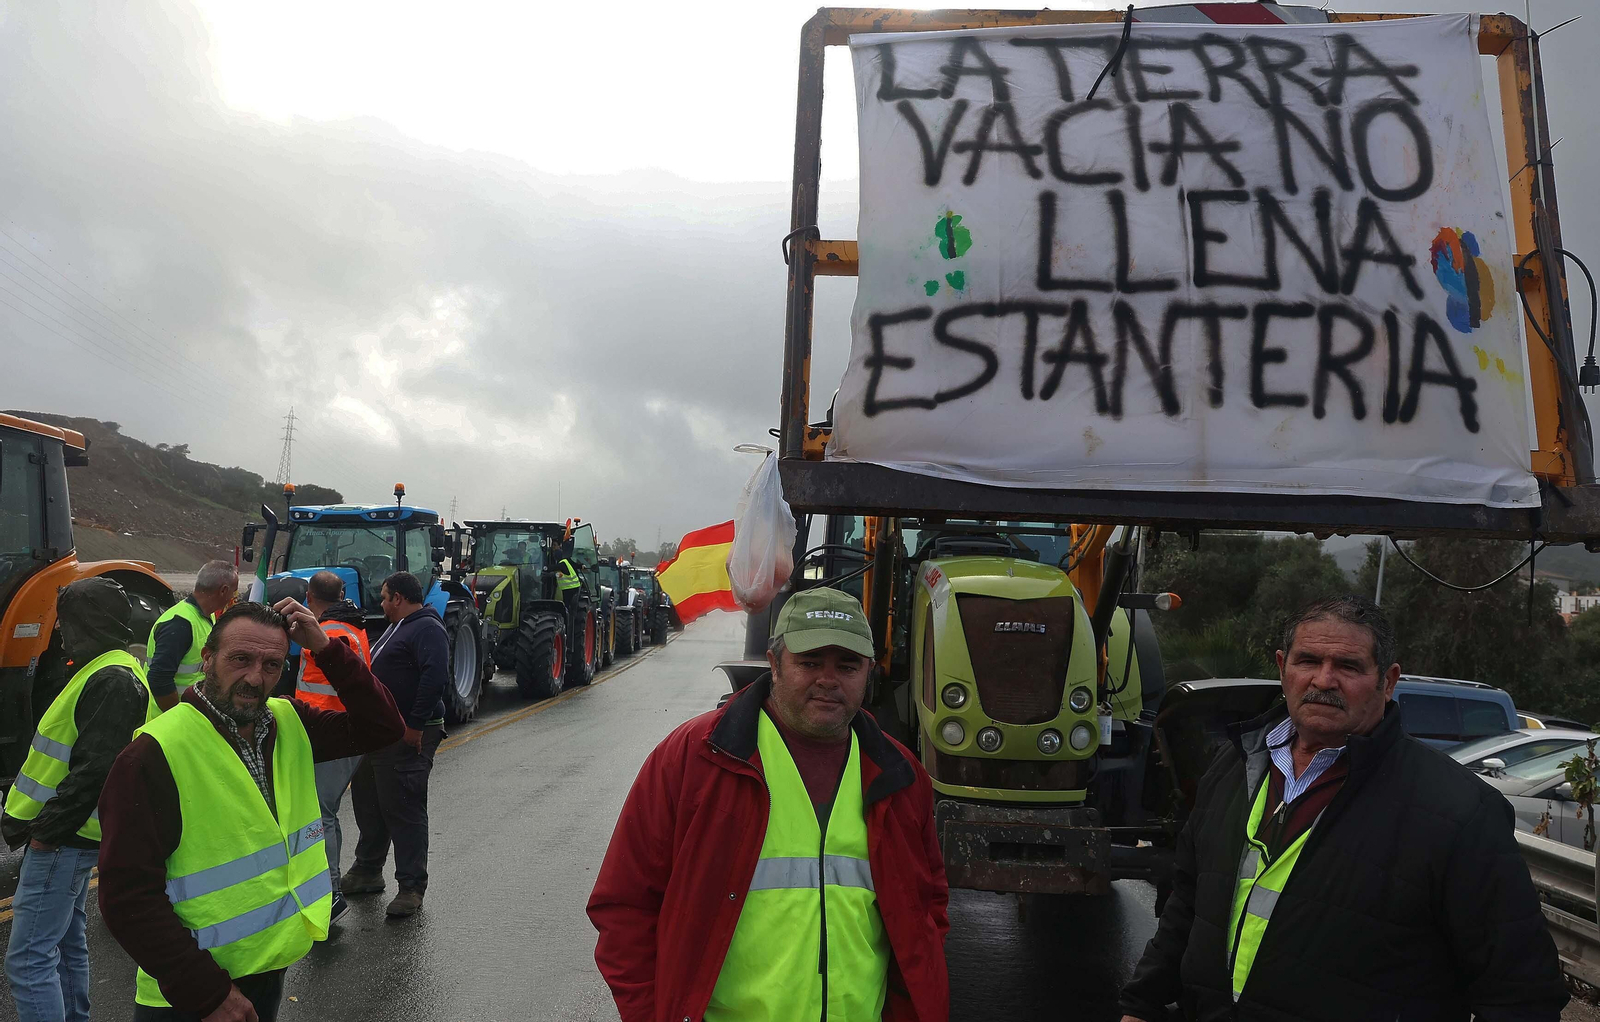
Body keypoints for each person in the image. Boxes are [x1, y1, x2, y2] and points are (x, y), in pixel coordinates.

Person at [1118, 594, 1569, 1022]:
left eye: (1348, 666)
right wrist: (1141, 1005)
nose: (1323, 680)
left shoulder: (1461, 812)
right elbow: (1188, 905)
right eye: (1308, 661)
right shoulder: (1235, 766)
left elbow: (1521, 992)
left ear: (1388, 681)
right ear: (1282, 667)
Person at [588, 587, 950, 1022]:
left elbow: (925, 913)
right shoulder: (695, 759)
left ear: (869, 672)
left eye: (847, 665)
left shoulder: (900, 776)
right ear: (775, 663)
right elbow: (625, 906)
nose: (828, 680)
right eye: (810, 662)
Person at [97, 599, 404, 1021]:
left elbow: (384, 727)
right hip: (190, 992)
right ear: (208, 659)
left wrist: (326, 647)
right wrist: (208, 994)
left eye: (272, 665)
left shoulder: (287, 721)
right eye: (240, 659)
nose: (255, 678)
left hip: (267, 966)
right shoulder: (152, 754)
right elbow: (126, 897)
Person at [3, 578, 161, 1022]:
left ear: (87, 623)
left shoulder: (112, 679)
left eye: (66, 621)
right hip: (72, 838)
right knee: (67, 946)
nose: (60, 632)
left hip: (63, 840)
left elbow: (96, 771)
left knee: (29, 960)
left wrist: (44, 837)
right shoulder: (108, 669)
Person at [343, 571, 448, 918]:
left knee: (403, 806)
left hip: (408, 732)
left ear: (399, 598)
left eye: (386, 597)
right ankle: (367, 869)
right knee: (370, 799)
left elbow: (435, 676)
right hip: (381, 732)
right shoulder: (399, 626)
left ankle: (411, 887)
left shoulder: (427, 628)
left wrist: (415, 726)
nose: (382, 604)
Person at [294, 570, 372, 926]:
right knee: (326, 812)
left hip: (330, 734)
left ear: (310, 596)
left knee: (321, 813)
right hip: (345, 734)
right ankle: (330, 885)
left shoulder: (327, 634)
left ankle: (329, 893)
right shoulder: (353, 628)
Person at [146, 560, 237, 710]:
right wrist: (179, 717)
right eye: (234, 592)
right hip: (169, 721)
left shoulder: (206, 616)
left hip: (192, 712)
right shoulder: (179, 624)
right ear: (223, 590)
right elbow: (159, 679)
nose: (233, 598)